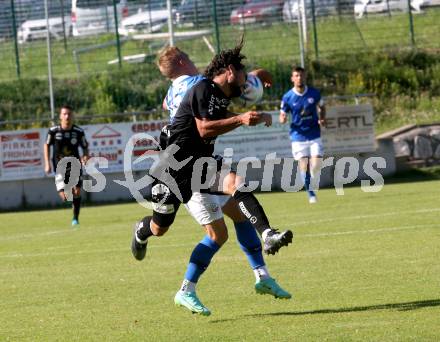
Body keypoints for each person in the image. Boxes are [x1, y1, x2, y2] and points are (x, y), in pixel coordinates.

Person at [131, 41, 293, 315]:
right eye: (188, 57)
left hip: (200, 162)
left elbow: (180, 105)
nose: (194, 61)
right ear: (182, 62)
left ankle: (267, 238)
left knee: (235, 188)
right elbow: (206, 125)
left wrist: (245, 109)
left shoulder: (176, 91)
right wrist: (251, 94)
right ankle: (143, 232)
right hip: (172, 167)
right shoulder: (200, 83)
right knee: (163, 228)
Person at [279, 66, 326, 204]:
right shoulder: (288, 97)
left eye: (301, 75)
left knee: (316, 164)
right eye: (296, 76)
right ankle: (311, 194)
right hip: (297, 137)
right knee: (304, 166)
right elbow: (283, 113)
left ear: (305, 77)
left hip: (314, 134)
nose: (299, 78)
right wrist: (282, 119)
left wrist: (322, 118)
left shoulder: (314, 93)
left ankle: (313, 175)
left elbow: (322, 107)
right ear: (292, 78)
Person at [44, 105, 89, 226]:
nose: (67, 116)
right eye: (64, 114)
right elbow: (46, 145)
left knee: (77, 191)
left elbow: (85, 147)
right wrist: (47, 162)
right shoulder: (53, 131)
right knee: (64, 197)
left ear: (72, 116)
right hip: (59, 166)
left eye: (69, 114)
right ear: (60, 116)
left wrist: (85, 157)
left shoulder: (78, 132)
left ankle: (75, 218)